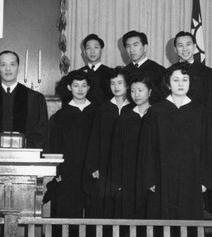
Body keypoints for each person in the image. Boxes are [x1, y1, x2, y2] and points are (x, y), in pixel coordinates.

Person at [136, 62, 212, 220]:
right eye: (176, 80)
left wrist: (205, 181)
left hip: (192, 178)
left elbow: (206, 149)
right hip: (162, 178)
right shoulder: (156, 112)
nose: (181, 84)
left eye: (185, 80)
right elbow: (147, 149)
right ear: (168, 83)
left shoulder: (199, 112)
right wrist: (149, 179)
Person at [0, 50, 48, 149]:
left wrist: (21, 145)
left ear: (18, 68)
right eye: (3, 65)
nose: (8, 68)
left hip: (25, 159)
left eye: (12, 64)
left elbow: (41, 133)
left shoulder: (35, 99)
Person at [48, 70, 98, 219]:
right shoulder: (60, 116)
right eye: (76, 85)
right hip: (68, 169)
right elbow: (55, 145)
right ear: (69, 87)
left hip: (92, 169)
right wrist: (57, 171)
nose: (80, 89)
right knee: (67, 209)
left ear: (89, 87)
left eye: (84, 85)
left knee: (92, 211)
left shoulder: (98, 112)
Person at [83, 67, 131, 218]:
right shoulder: (103, 109)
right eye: (112, 83)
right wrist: (93, 166)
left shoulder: (134, 108)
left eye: (120, 82)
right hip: (105, 165)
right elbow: (94, 140)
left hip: (128, 165)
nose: (116, 87)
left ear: (128, 85)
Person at [172, 31, 212, 154]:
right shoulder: (169, 73)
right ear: (175, 49)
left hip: (201, 133)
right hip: (175, 133)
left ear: (195, 47)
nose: (185, 49)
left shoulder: (208, 73)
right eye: (180, 45)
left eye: (188, 44)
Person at [108, 73, 152, 219]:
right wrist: (117, 182)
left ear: (150, 92)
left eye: (140, 90)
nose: (136, 95)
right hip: (127, 178)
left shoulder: (157, 115)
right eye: (132, 91)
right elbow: (116, 152)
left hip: (150, 180)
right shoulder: (124, 119)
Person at [122, 31, 165, 103]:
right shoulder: (123, 71)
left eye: (135, 45)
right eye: (128, 46)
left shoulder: (159, 70)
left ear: (145, 47)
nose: (131, 50)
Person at [77, 34, 113, 105]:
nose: (92, 51)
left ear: (101, 51)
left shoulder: (111, 73)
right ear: (84, 52)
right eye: (88, 48)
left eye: (96, 47)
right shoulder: (78, 74)